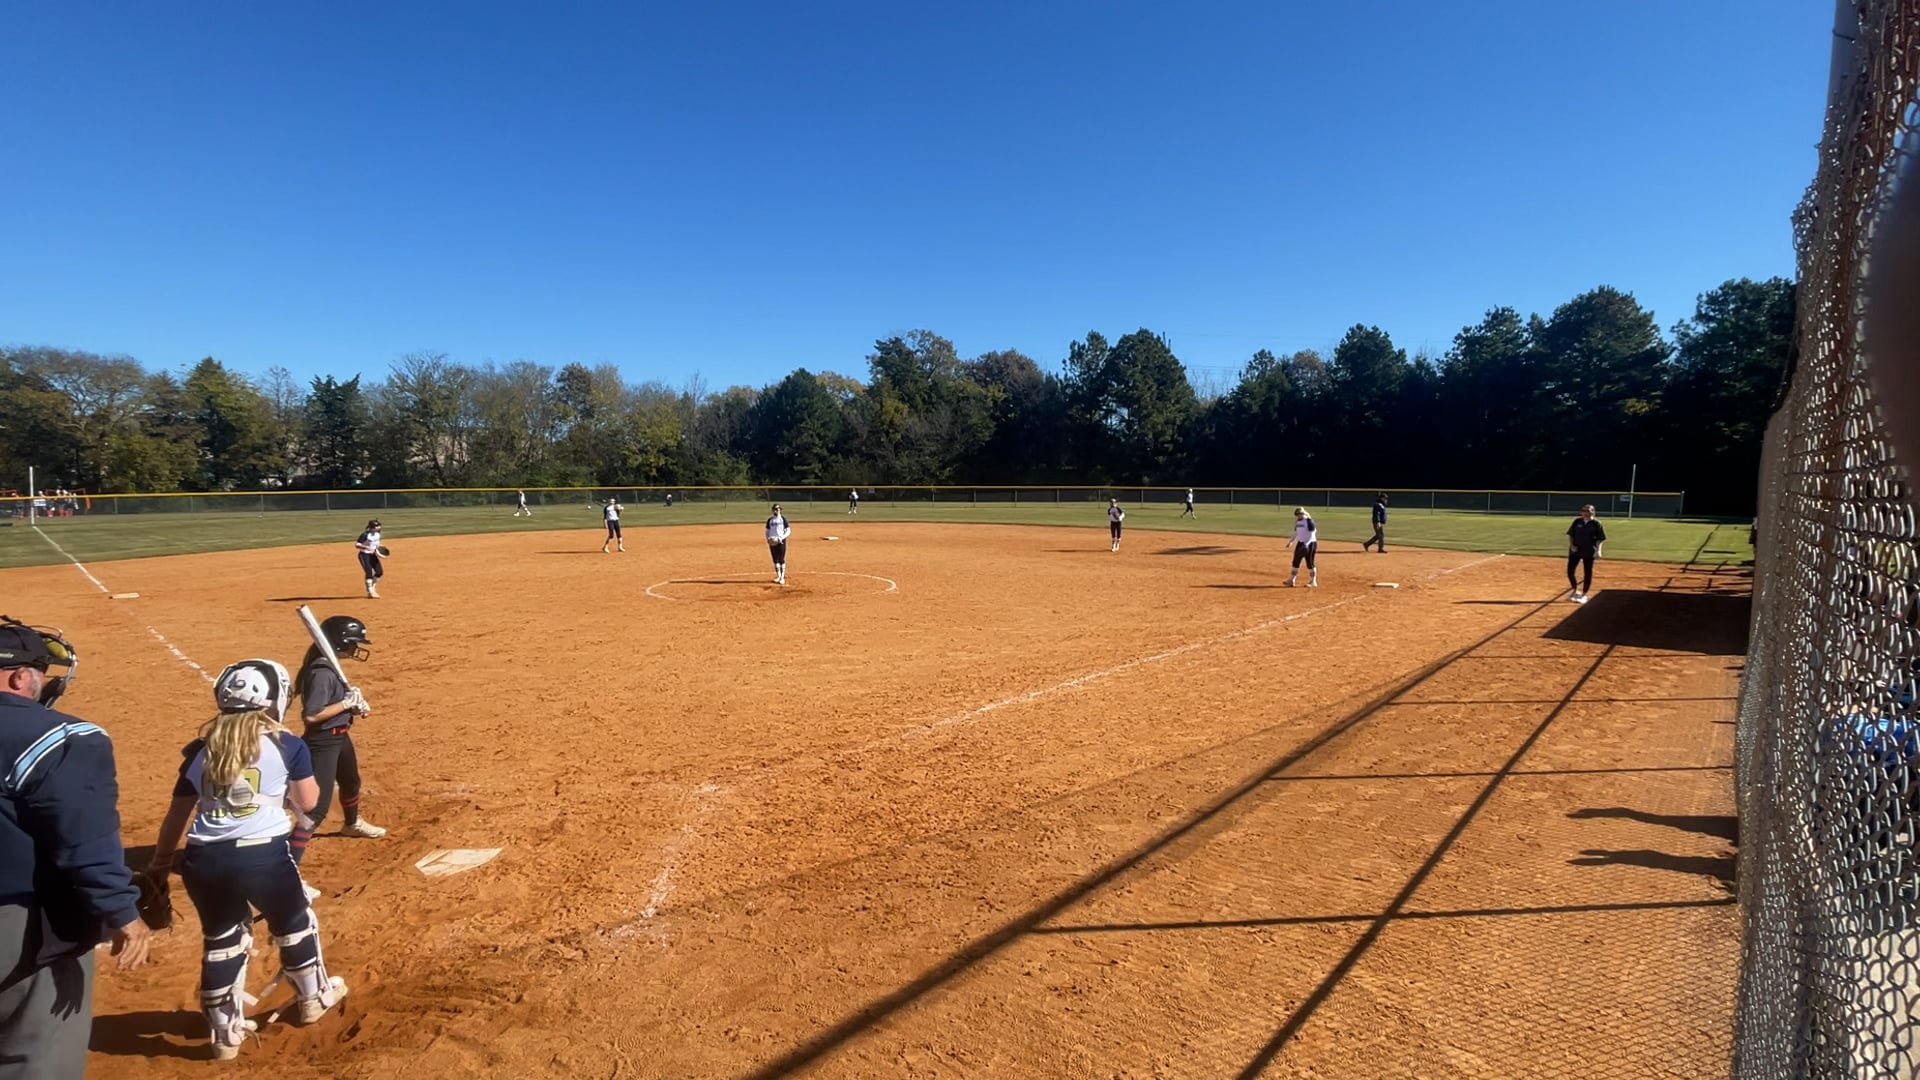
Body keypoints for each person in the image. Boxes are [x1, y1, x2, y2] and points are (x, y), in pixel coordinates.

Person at [143, 659, 348, 1060]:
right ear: (275, 698)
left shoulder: (199, 751)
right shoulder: (286, 744)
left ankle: (225, 1035)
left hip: (203, 860)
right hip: (263, 856)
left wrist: (160, 863)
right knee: (295, 922)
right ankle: (313, 998)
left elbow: (176, 816)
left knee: (222, 939)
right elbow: (309, 802)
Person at [0, 618, 149, 1074]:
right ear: (19, 677)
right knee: (38, 1055)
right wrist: (122, 911)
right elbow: (85, 839)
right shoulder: (60, 738)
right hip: (24, 929)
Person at [288, 615, 385, 868]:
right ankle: (288, 864)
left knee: (351, 783)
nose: (356, 647)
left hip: (340, 737)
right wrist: (345, 703)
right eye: (353, 642)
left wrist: (352, 707)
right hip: (323, 742)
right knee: (316, 810)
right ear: (340, 642)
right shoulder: (321, 673)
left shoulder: (330, 669)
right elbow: (312, 715)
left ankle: (351, 824)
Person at [1566, 504, 1608, 603]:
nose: (1585, 512)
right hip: (1575, 550)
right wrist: (1572, 545)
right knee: (1570, 571)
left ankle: (1584, 594)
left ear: (1592, 512)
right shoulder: (1577, 521)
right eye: (1583, 510)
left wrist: (1598, 550)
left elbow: (1600, 539)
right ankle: (1575, 590)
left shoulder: (1596, 523)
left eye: (1587, 511)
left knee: (1588, 572)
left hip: (1589, 550)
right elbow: (1571, 535)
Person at [354, 519, 387, 599]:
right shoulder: (365, 535)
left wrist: (380, 549)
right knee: (369, 572)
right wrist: (366, 547)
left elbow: (376, 544)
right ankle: (370, 591)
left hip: (373, 555)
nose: (379, 527)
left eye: (379, 526)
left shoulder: (378, 534)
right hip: (364, 555)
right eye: (377, 526)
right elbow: (357, 545)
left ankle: (372, 586)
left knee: (379, 572)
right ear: (372, 527)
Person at [1287, 507, 1318, 587]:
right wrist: (1291, 542)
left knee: (1310, 563)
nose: (1298, 515)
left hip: (1310, 543)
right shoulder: (1298, 522)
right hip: (1300, 543)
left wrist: (1307, 544)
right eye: (1297, 514)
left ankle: (1313, 582)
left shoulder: (1309, 521)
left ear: (1303, 513)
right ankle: (1292, 580)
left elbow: (1312, 533)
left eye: (1300, 514)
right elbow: (1296, 532)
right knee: (1295, 561)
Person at [766, 504, 791, 585]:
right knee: (775, 559)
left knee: (781, 559)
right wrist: (768, 538)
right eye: (776, 509)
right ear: (773, 510)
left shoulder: (783, 519)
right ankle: (778, 576)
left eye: (779, 509)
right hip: (772, 541)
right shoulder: (770, 520)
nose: (777, 510)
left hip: (781, 541)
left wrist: (782, 537)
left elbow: (788, 530)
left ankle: (782, 577)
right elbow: (767, 531)